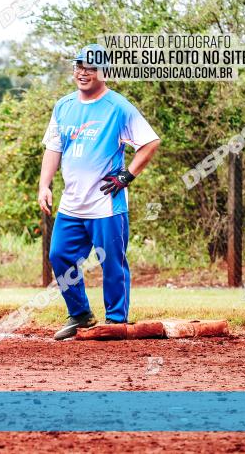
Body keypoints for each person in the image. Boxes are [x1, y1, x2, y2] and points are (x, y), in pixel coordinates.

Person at [39, 44, 161, 340]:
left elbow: (150, 142)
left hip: (106, 203)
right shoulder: (64, 106)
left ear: (104, 72)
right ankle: (80, 314)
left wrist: (127, 174)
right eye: (80, 66)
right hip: (72, 203)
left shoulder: (118, 107)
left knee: (112, 263)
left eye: (91, 68)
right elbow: (53, 148)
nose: (84, 72)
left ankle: (116, 321)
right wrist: (44, 185)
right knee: (59, 256)